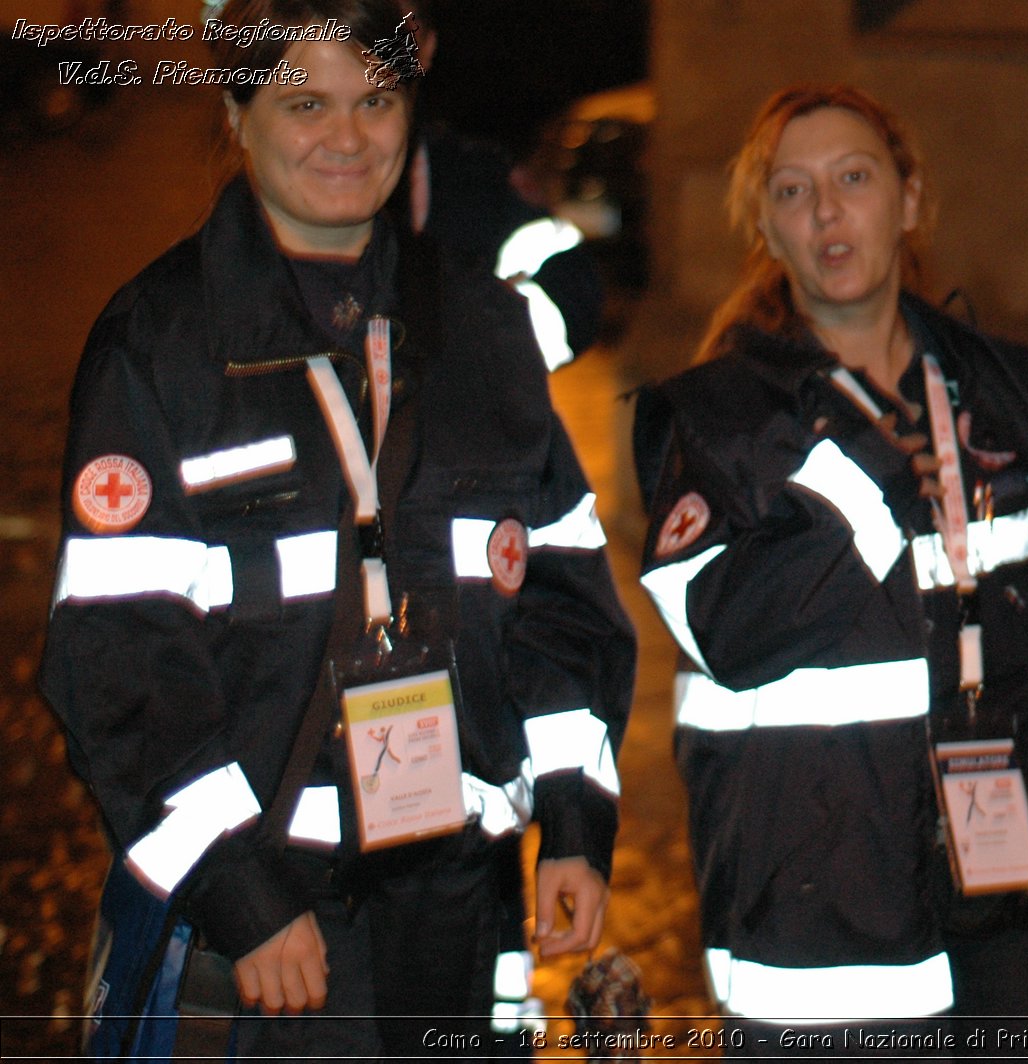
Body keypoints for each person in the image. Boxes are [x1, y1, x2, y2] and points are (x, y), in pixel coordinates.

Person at [40, 1, 635, 1057]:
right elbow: (121, 658)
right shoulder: (161, 346)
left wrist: (574, 829)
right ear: (236, 107)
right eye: (304, 103)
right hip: (272, 934)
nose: (347, 138)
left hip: (459, 916)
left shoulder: (486, 332)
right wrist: (240, 890)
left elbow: (563, 608)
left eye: (377, 100)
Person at [633, 84, 1028, 1054]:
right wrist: (867, 477)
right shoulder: (713, 420)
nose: (826, 211)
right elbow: (728, 630)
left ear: (909, 201)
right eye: (792, 191)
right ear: (766, 233)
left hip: (1014, 844)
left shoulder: (1005, 385)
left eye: (854, 178)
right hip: (828, 876)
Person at [400, 0, 605, 374]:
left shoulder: (480, 176)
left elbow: (575, 300)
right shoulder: (282, 177)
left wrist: (492, 335)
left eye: (392, 25)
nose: (368, 45)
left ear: (426, 46)